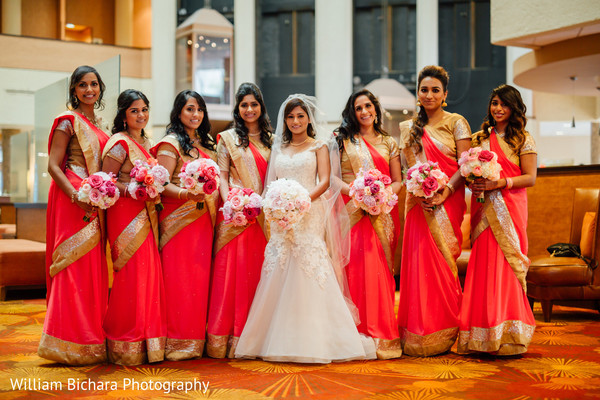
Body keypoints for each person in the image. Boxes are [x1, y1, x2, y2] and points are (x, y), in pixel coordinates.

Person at [235, 94, 376, 363]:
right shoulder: (279, 147)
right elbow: (271, 182)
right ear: (285, 120)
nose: (295, 121)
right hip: (281, 217)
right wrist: (277, 205)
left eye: (300, 116)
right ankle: (273, 339)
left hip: (309, 212)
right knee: (280, 268)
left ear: (308, 118)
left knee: (308, 268)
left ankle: (316, 339)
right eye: (290, 117)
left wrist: (300, 202)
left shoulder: (320, 145)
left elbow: (324, 181)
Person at [397, 65, 471, 356]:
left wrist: (445, 192)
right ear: (418, 93)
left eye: (435, 90)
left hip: (448, 200)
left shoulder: (457, 122)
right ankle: (419, 330)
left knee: (442, 263)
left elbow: (465, 165)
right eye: (424, 89)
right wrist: (421, 188)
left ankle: (446, 326)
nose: (429, 95)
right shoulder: (409, 128)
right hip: (420, 204)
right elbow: (410, 169)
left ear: (445, 94)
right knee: (419, 265)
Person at [39, 65, 110, 365]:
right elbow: (54, 166)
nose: (89, 90)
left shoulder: (100, 127)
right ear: (74, 90)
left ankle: (90, 339)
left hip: (96, 201)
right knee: (72, 265)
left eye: (94, 84)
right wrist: (76, 196)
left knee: (92, 269)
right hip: (73, 201)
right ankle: (66, 341)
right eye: (82, 85)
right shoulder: (67, 121)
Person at [458, 84, 537, 355]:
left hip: (511, 207)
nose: (498, 108)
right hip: (483, 208)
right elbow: (467, 172)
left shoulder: (523, 139)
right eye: (494, 103)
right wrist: (474, 181)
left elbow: (530, 177)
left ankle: (510, 336)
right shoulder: (479, 138)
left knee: (506, 266)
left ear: (514, 108)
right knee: (484, 266)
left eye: (504, 104)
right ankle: (480, 334)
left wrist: (499, 183)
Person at [335, 89, 403, 359]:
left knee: (378, 273)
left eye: (367, 106)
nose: (364, 112)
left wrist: (382, 195)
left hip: (380, 215)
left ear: (376, 108)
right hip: (352, 214)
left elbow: (398, 180)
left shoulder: (390, 143)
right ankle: (354, 336)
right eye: (358, 108)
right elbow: (332, 179)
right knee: (353, 272)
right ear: (352, 113)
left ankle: (380, 335)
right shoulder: (342, 141)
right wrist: (357, 192)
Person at [150, 90, 217, 361]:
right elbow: (161, 183)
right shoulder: (170, 144)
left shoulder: (206, 144)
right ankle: (176, 341)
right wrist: (185, 194)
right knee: (178, 279)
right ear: (179, 112)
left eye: (200, 109)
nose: (196, 115)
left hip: (202, 221)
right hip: (178, 221)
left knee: (200, 280)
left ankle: (194, 341)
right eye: (190, 109)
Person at [206, 83, 272, 358]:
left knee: (257, 275)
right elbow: (221, 175)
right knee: (232, 274)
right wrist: (231, 202)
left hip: (264, 218)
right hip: (235, 215)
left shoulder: (272, 140)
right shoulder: (227, 139)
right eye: (244, 105)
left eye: (253, 104)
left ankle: (256, 338)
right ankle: (225, 339)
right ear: (237, 108)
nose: (249, 109)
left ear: (261, 107)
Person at [101, 89, 166, 365]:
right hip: (125, 211)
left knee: (148, 271)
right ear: (124, 116)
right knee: (130, 271)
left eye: (144, 110)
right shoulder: (119, 143)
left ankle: (145, 340)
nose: (141, 115)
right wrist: (131, 190)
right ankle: (123, 339)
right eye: (134, 111)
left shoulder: (145, 143)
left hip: (146, 211)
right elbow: (105, 179)